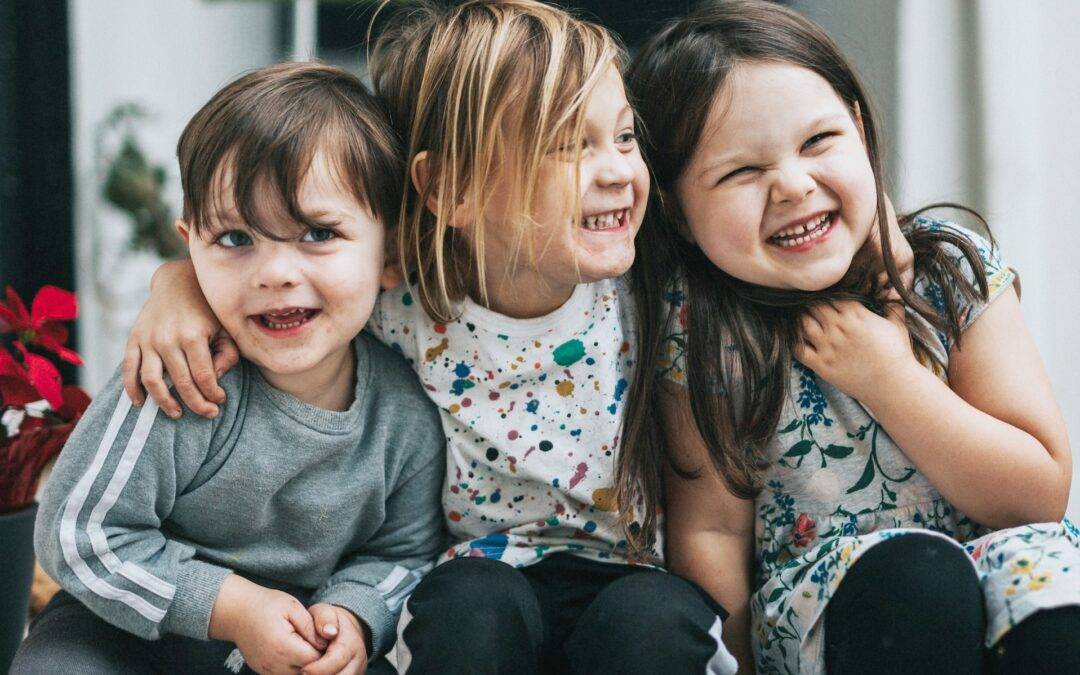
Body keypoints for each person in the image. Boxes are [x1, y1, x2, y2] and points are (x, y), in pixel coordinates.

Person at [116, 2, 739, 673]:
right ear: (450, 187)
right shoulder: (407, 301)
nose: (618, 170)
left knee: (658, 620)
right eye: (567, 145)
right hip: (477, 576)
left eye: (622, 137)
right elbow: (301, 282)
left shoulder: (655, 291)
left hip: (626, 573)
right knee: (469, 609)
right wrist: (177, 286)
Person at [619, 2, 1080, 673]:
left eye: (817, 142)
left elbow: (1037, 495)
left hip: (996, 569)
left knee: (1055, 594)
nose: (793, 185)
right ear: (679, 214)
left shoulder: (950, 275)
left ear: (860, 132)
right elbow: (711, 533)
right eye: (740, 173)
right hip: (834, 606)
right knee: (917, 578)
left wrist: (889, 377)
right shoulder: (702, 331)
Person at [13, 62, 445, 675]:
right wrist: (233, 607)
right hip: (133, 630)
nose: (273, 273)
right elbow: (78, 534)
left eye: (318, 233)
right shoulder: (177, 378)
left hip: (296, 641)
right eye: (236, 239)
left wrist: (352, 612)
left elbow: (405, 551)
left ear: (393, 253)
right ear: (190, 245)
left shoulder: (404, 415)